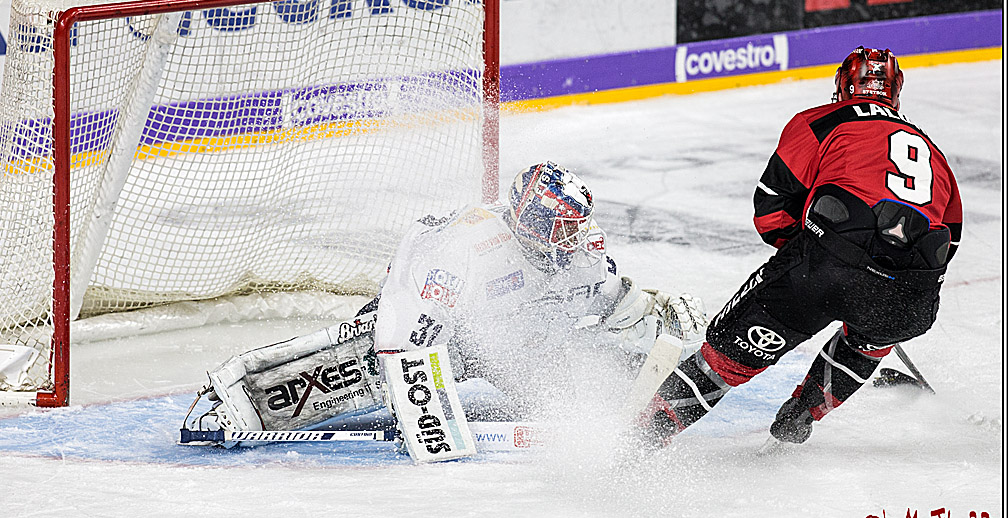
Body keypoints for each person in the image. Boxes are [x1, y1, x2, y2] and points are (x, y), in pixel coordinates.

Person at [185, 161, 708, 453]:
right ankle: (243, 399)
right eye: (553, 226)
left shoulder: (580, 251)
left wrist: (662, 322)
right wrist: (416, 394)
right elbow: (413, 323)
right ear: (523, 216)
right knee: (364, 372)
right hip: (437, 328)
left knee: (558, 401)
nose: (563, 239)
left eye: (569, 228)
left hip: (514, 341)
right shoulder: (471, 247)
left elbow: (618, 304)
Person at [638, 46, 962, 447]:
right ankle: (802, 414)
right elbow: (949, 242)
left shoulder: (819, 121)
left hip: (821, 270)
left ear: (844, 85)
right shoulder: (935, 154)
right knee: (874, 334)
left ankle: (637, 442)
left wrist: (806, 255)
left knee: (722, 362)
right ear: (895, 91)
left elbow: (771, 209)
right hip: (910, 300)